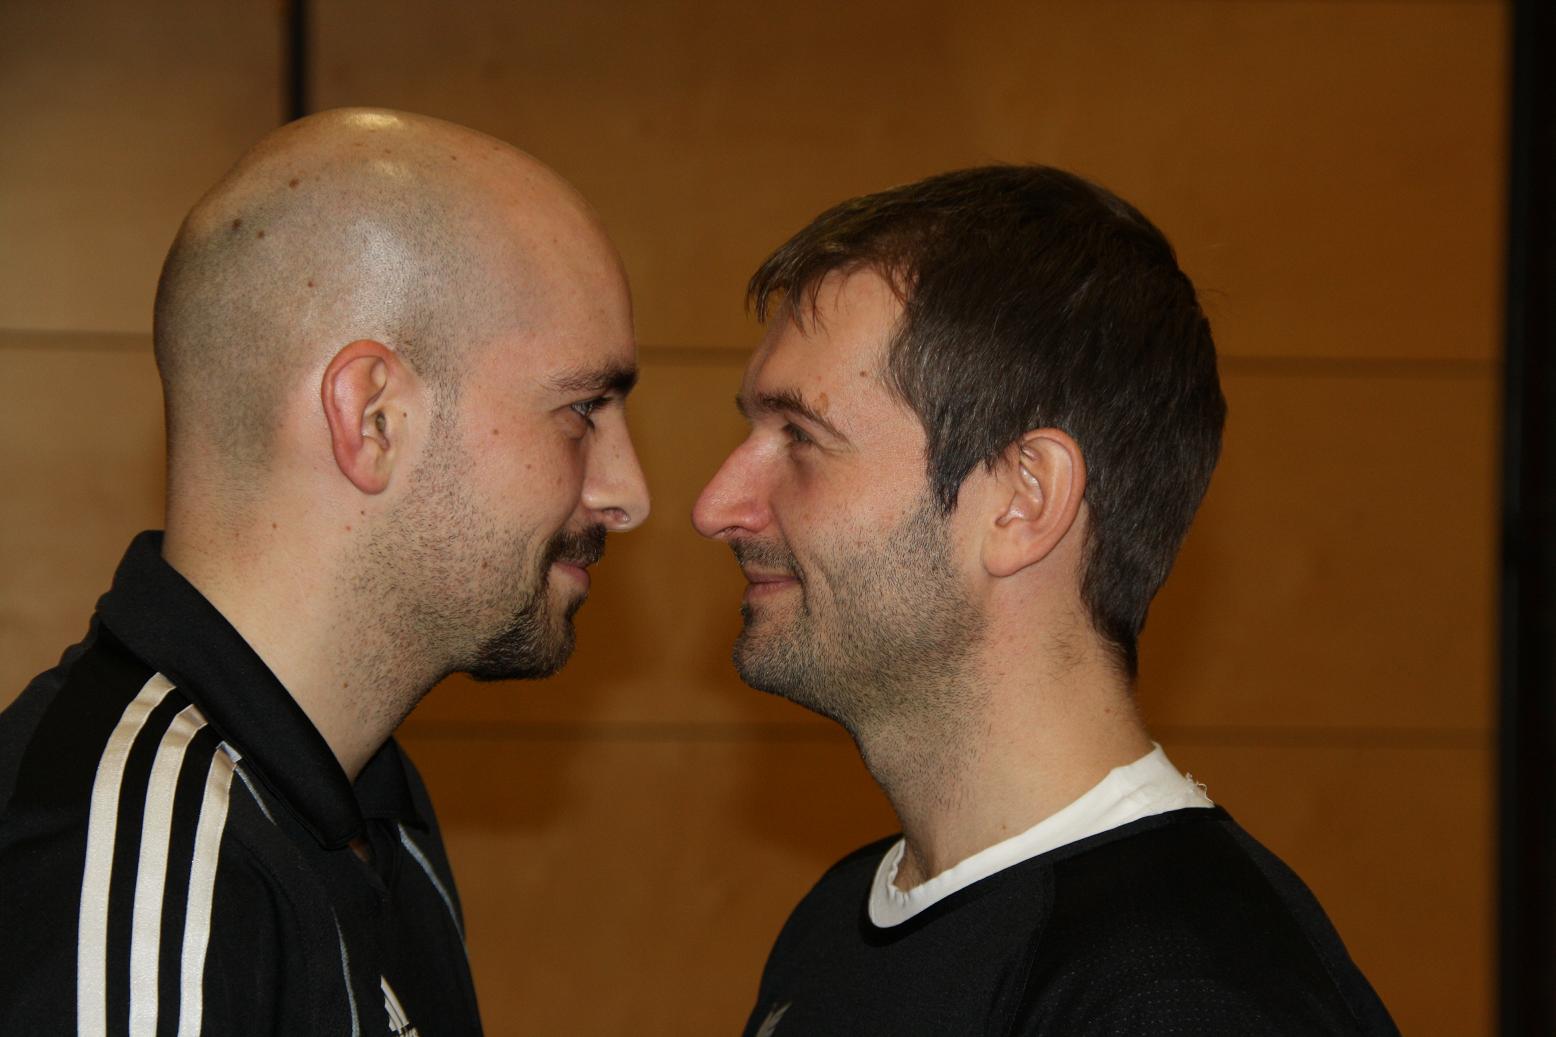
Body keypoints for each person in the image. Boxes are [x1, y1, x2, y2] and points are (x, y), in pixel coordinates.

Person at [694, 166, 1399, 1035]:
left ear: (1023, 499)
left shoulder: (1183, 997)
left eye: (802, 435)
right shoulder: (840, 920)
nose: (717, 505)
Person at [0, 108, 649, 1035]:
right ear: (372, 417)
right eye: (583, 408)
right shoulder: (133, 879)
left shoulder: (375, 807)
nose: (628, 493)